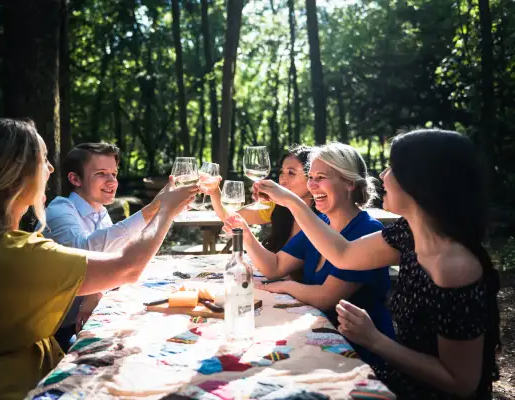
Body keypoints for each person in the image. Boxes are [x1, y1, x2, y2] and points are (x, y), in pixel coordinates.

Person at [0, 118, 198, 399]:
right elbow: (127, 267)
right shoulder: (18, 253)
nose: (51, 168)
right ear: (18, 175)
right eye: (44, 160)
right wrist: (165, 211)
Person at [254, 130, 501, 399]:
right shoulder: (407, 233)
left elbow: (460, 383)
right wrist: (291, 201)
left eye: (394, 168)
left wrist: (375, 340)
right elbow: (343, 253)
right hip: (396, 378)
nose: (383, 175)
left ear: (421, 181)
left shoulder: (454, 266)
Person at [226, 143, 394, 366]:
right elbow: (274, 266)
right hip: (318, 339)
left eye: (321, 177)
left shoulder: (367, 229)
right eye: (310, 177)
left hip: (358, 354)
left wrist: (285, 286)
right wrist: (245, 232)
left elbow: (326, 298)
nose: (312, 186)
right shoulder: (320, 224)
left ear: (349, 182)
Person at [42, 143, 170, 351]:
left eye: (114, 173)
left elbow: (115, 256)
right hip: (60, 331)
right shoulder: (59, 209)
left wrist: (96, 292)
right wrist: (153, 208)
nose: (112, 181)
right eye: (101, 174)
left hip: (93, 318)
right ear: (75, 179)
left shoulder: (100, 211)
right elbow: (83, 251)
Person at [210, 145, 318, 256]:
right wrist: (213, 190)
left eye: (291, 173)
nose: (283, 179)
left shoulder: (325, 217)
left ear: (312, 177)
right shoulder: (275, 206)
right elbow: (229, 217)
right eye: (282, 172)